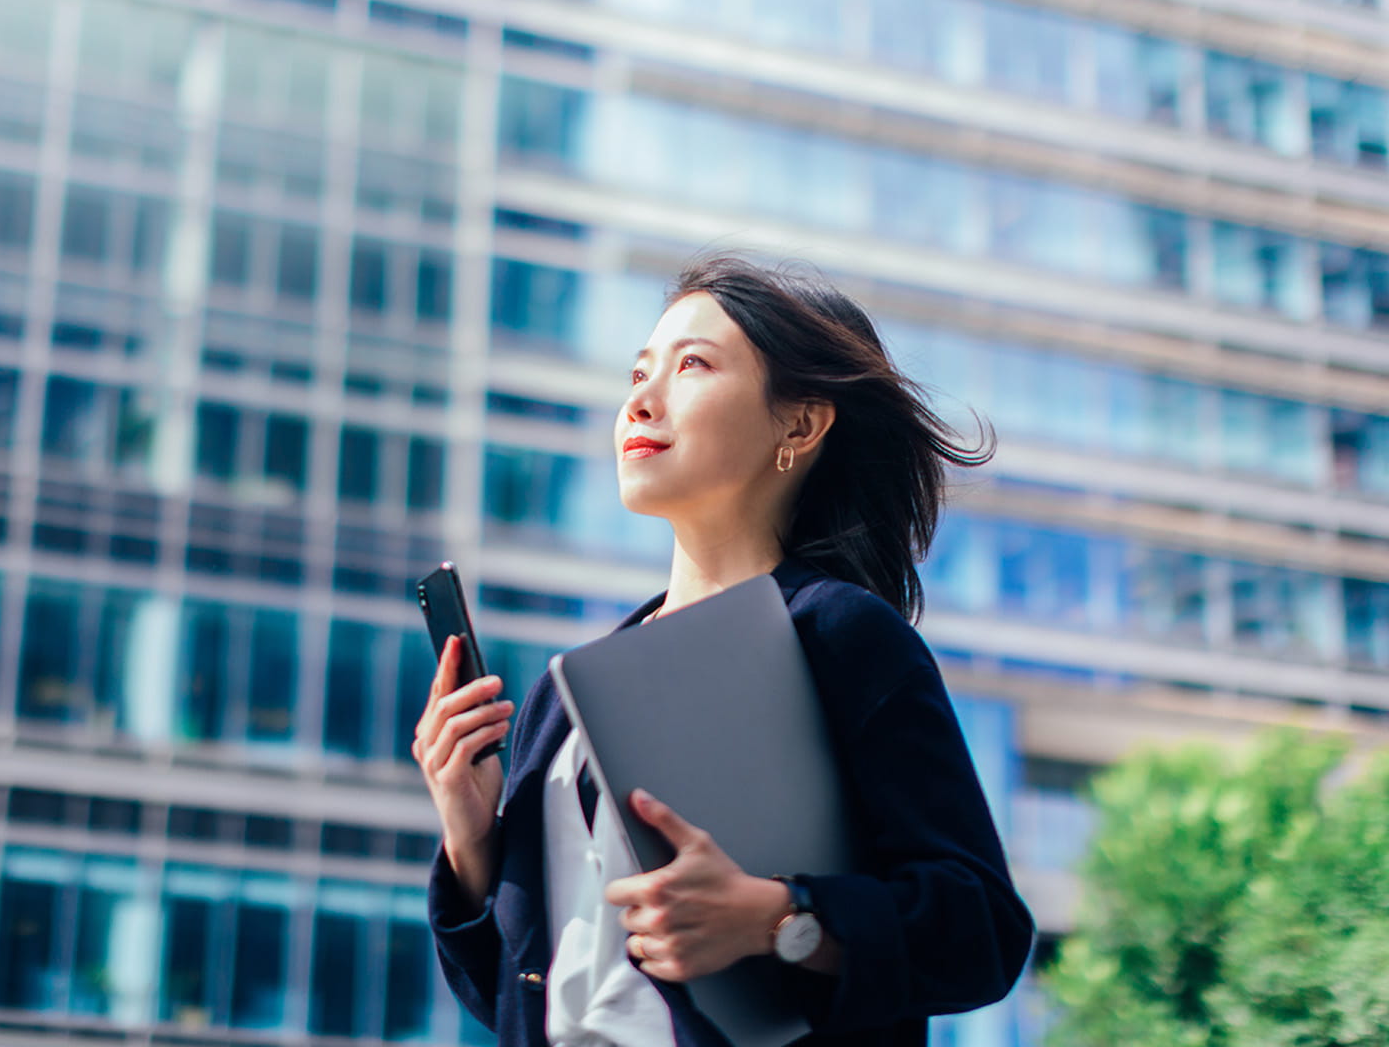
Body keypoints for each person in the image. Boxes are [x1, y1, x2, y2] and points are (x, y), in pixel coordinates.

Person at [412, 253, 1035, 1046]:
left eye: (692, 366)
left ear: (800, 425)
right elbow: (517, 994)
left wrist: (777, 918)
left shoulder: (839, 635)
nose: (641, 398)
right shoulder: (563, 696)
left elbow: (980, 931)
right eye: (639, 372)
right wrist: (471, 840)